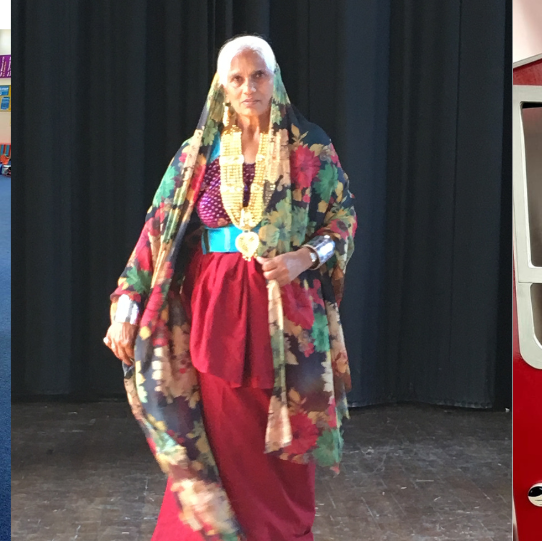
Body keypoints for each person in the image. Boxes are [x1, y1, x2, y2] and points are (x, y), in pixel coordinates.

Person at [103, 35, 357, 541]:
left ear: (275, 78)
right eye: (237, 78)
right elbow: (158, 228)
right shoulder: (198, 152)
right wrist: (127, 304)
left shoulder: (309, 146)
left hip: (287, 311)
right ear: (222, 85)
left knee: (282, 433)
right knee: (220, 426)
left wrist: (304, 257)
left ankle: (278, 530)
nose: (248, 88)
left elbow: (343, 221)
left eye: (258, 75)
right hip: (215, 304)